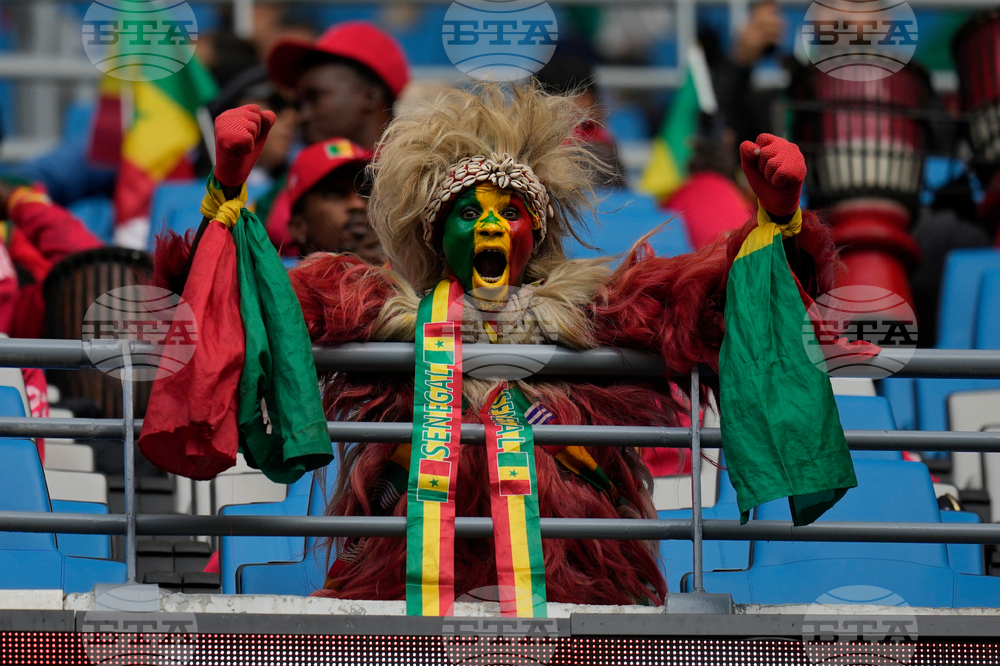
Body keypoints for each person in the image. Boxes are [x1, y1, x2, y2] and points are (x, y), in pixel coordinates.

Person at [156, 82, 852, 607]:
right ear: (438, 236)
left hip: (578, 582)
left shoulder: (599, 310)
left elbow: (723, 306)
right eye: (470, 211)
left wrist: (781, 224)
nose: (491, 226)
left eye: (510, 212)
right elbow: (239, 309)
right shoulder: (379, 311)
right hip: (407, 585)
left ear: (535, 232)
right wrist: (226, 194)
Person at [263, 22, 410, 253]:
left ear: (371, 95)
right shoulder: (290, 177)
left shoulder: (425, 178)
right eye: (299, 103)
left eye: (315, 97)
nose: (302, 115)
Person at [284, 138, 381, 263]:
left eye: (367, 193)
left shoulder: (400, 270)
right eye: (335, 194)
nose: (358, 204)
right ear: (298, 226)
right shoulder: (274, 274)